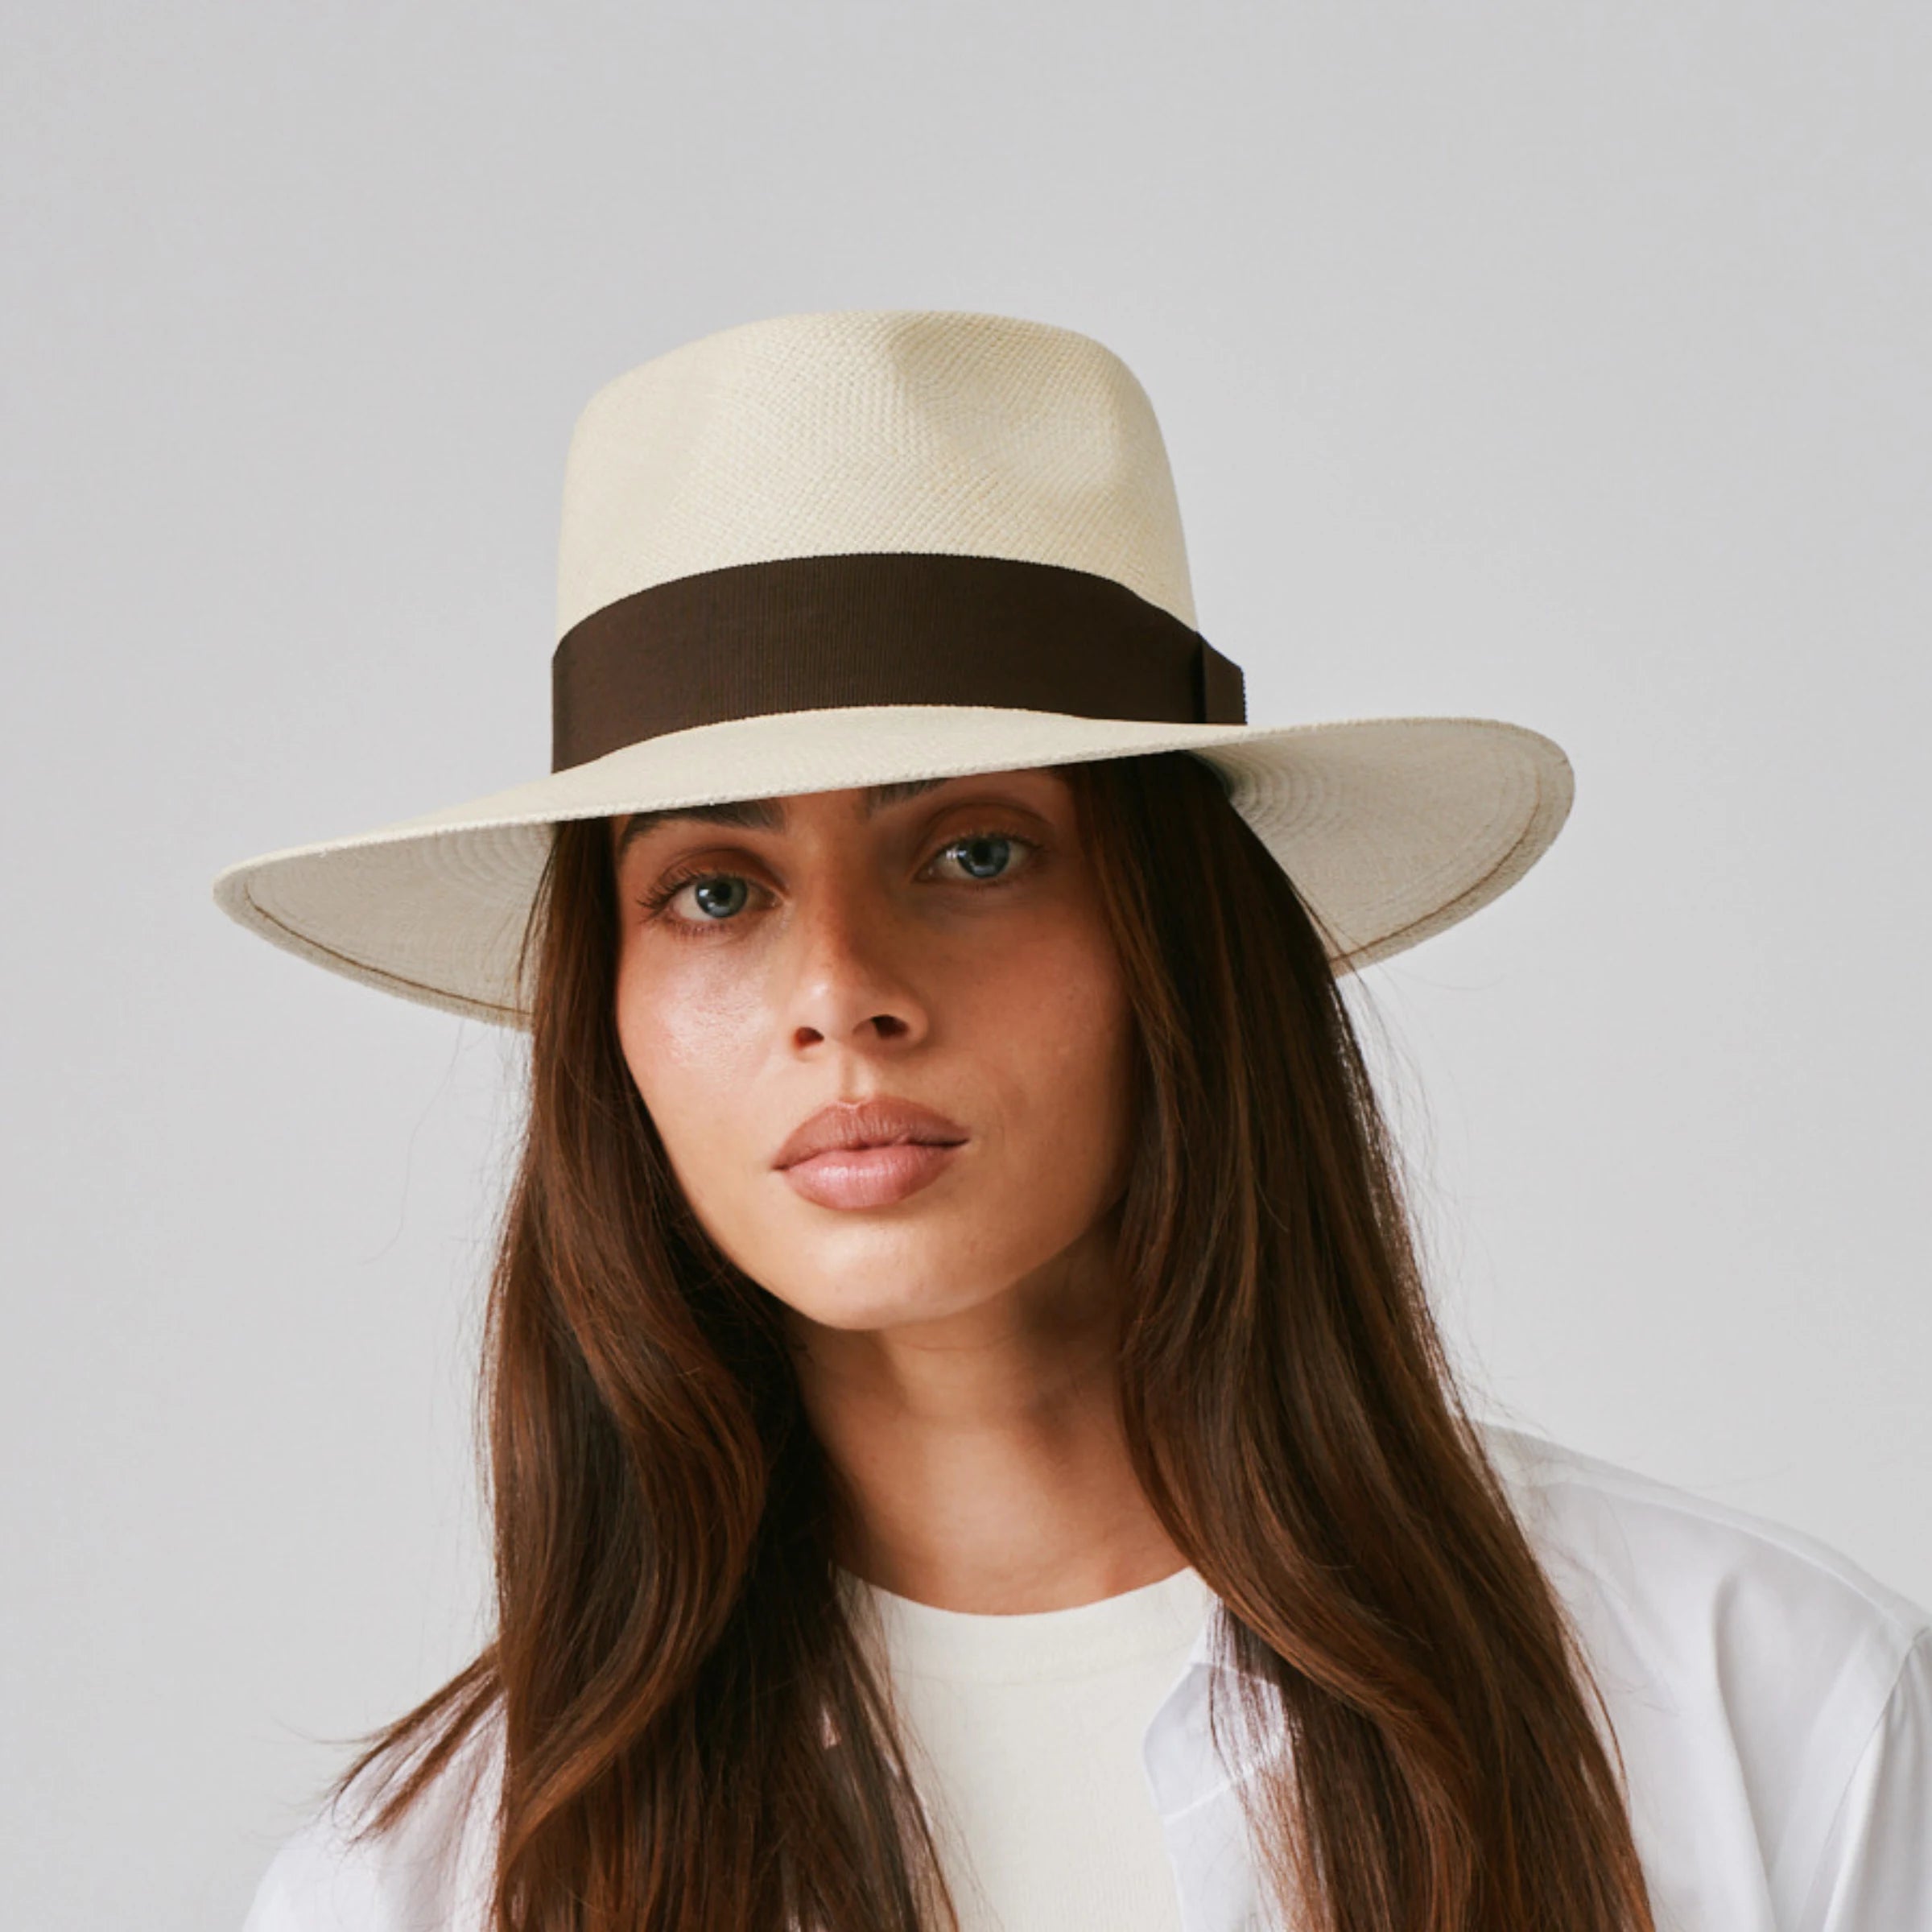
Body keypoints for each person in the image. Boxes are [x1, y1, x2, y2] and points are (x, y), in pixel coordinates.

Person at [219, 309, 1930, 1932]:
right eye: (716, 890)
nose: (842, 989)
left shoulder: (1757, 1705)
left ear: (1174, 935)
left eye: (973, 850)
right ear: (610, 1018)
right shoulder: (433, 1880)